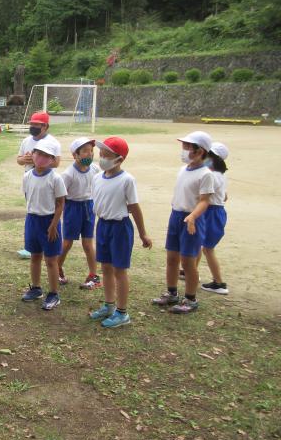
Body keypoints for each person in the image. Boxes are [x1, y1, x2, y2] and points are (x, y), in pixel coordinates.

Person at [88, 137, 152, 328]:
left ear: (119, 159)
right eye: (101, 154)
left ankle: (122, 312)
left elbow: (134, 207)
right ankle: (109, 305)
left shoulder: (127, 180)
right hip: (103, 226)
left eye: (107, 155)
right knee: (106, 267)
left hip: (120, 228)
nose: (102, 158)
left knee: (119, 270)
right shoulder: (97, 177)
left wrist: (143, 233)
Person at [152, 131, 214, 314]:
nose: (183, 150)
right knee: (172, 258)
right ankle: (172, 293)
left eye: (187, 147)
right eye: (183, 146)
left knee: (188, 262)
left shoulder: (205, 174)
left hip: (191, 220)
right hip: (176, 216)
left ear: (200, 151)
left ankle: (190, 298)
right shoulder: (183, 169)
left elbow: (205, 201)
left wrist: (193, 216)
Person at [21, 138, 66, 311]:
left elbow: (60, 203)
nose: (41, 158)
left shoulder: (55, 178)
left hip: (49, 221)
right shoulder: (27, 176)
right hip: (32, 220)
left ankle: (54, 294)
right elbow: (28, 197)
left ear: (52, 160)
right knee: (35, 256)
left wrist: (54, 225)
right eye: (38, 153)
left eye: (47, 155)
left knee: (51, 260)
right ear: (32, 154)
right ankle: (36, 288)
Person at [16, 111, 61, 259]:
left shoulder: (53, 142)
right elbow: (19, 160)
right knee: (32, 208)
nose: (33, 127)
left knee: (46, 210)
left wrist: (38, 161)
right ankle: (32, 244)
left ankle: (48, 238)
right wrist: (25, 159)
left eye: (37, 125)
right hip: (30, 179)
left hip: (46, 181)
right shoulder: (26, 141)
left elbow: (56, 163)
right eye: (32, 124)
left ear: (45, 126)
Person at [57, 137, 101, 289]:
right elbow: (61, 197)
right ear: (75, 155)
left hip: (89, 207)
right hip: (72, 208)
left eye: (91, 151)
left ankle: (93, 275)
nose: (89, 154)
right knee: (67, 242)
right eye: (85, 151)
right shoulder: (68, 174)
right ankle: (57, 269)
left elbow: (98, 188)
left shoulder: (95, 169)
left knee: (88, 243)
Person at [198, 142, 229, 295]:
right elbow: (225, 196)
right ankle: (189, 270)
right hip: (215, 212)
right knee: (199, 243)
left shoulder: (212, 175)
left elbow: (203, 197)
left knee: (207, 249)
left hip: (211, 213)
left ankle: (219, 283)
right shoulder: (220, 175)